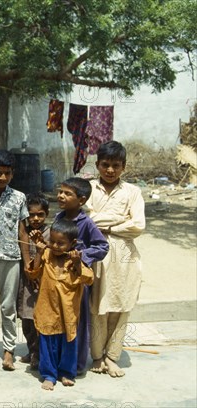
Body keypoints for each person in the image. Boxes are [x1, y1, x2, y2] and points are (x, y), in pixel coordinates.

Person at [85, 141, 145, 377]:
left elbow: (138, 225)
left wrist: (104, 224)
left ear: (124, 167)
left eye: (116, 166)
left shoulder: (133, 192)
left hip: (125, 257)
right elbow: (86, 220)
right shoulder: (87, 189)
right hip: (96, 256)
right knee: (97, 306)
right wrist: (120, 219)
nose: (110, 170)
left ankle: (112, 357)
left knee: (121, 306)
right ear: (98, 164)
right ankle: (97, 355)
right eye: (105, 165)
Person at [28, 219, 94, 390]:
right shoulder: (46, 254)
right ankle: (49, 375)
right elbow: (33, 274)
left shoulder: (76, 259)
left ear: (72, 244)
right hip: (47, 309)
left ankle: (66, 372)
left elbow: (89, 278)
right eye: (52, 242)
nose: (55, 246)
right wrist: (37, 252)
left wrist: (78, 263)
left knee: (68, 343)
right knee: (47, 343)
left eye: (61, 243)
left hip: (68, 312)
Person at [54, 177, 109, 373]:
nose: (61, 195)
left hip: (78, 281)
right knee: (59, 319)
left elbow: (103, 246)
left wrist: (81, 256)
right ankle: (59, 360)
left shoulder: (86, 223)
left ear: (82, 200)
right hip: (59, 279)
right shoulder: (58, 218)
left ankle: (76, 364)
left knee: (77, 320)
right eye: (60, 191)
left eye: (67, 193)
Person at [0, 149, 31, 371]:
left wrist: (28, 259)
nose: (2, 177)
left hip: (12, 258)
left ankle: (8, 350)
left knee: (8, 306)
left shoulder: (19, 197)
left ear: (12, 174)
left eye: (7, 173)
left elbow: (23, 231)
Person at [18, 192, 51, 370]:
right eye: (31, 215)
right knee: (26, 318)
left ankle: (39, 353)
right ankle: (31, 349)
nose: (36, 218)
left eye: (40, 215)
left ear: (46, 214)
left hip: (42, 283)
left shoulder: (50, 233)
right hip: (26, 283)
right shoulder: (24, 232)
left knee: (38, 319)